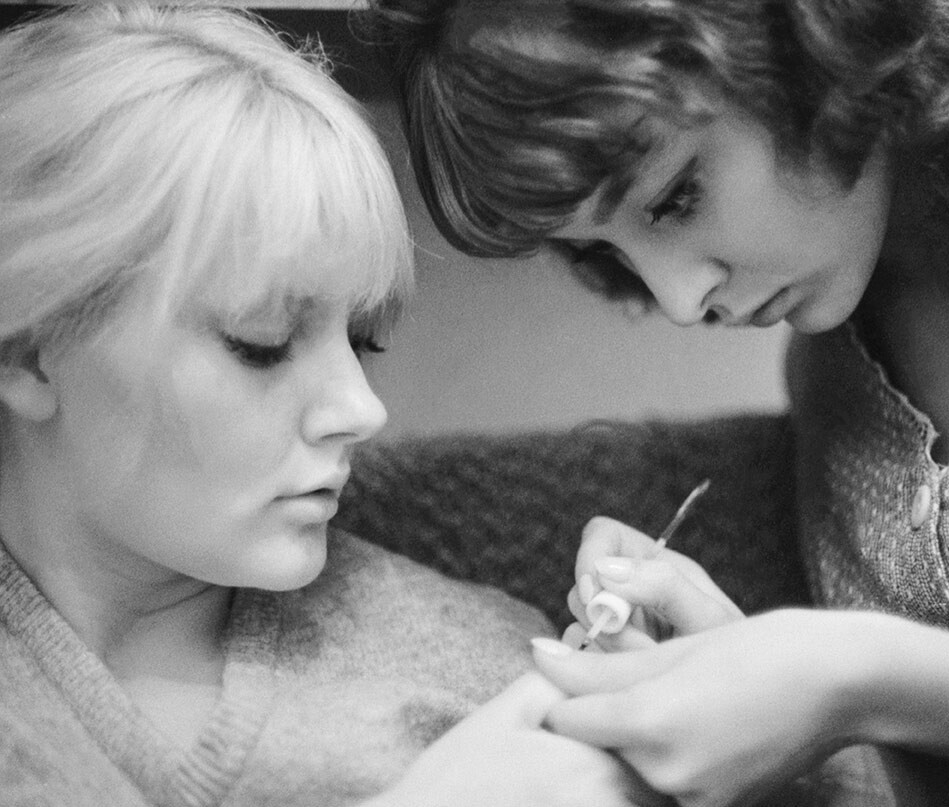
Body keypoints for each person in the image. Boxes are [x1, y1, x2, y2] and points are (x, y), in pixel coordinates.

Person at [363, 0, 949, 804]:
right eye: (600, 247)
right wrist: (765, 701)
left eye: (674, 195)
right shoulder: (831, 376)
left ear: (798, 32)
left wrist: (856, 677)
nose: (681, 300)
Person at [0, 5, 664, 806]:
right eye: (264, 339)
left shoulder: (494, 677)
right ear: (29, 350)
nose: (361, 408)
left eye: (363, 339)